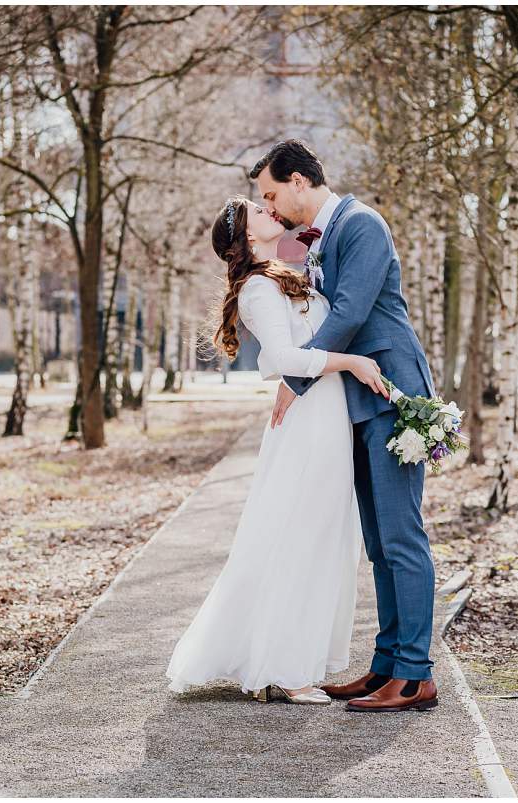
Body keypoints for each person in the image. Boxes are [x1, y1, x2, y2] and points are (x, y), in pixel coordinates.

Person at [164, 194, 386, 705]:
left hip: (327, 416)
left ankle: (287, 659)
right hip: (308, 426)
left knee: (324, 535)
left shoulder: (284, 272)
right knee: (301, 536)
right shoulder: (258, 288)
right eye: (257, 211)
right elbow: (282, 356)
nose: (270, 210)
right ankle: (286, 668)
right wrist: (351, 362)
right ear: (245, 236)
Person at [253, 139, 439, 713]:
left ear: (299, 181)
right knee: (379, 541)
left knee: (401, 537)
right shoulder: (325, 239)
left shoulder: (361, 225)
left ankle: (415, 674)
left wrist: (295, 381)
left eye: (271, 193)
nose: (272, 205)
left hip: (392, 393)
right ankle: (386, 665)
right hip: (359, 399)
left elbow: (352, 312)